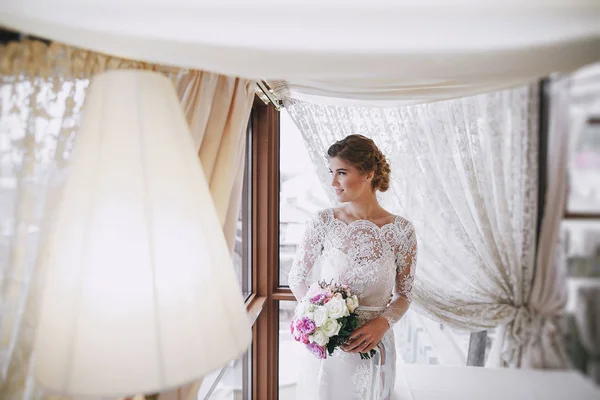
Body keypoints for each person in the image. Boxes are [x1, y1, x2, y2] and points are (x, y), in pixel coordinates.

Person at [288, 134, 417, 400]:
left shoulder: (402, 230)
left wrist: (382, 323)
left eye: (342, 173)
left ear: (369, 173)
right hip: (331, 347)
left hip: (376, 347)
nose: (333, 182)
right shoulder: (323, 222)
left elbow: (405, 294)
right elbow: (297, 276)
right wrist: (317, 317)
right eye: (331, 172)